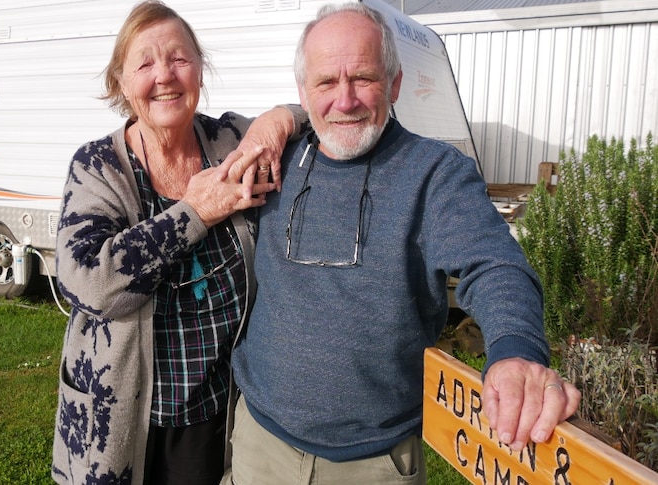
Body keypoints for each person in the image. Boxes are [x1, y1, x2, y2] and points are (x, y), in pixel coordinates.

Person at [228, 3, 581, 484]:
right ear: (303, 92)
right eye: (327, 82)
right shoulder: (273, 159)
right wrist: (277, 119)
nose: (345, 100)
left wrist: (515, 350)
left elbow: (495, 265)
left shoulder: (435, 173)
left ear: (394, 84)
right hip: (260, 443)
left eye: (364, 79)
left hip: (373, 463)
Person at [50, 2, 306, 485]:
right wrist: (195, 213)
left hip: (219, 413)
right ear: (121, 84)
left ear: (200, 70)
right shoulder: (98, 167)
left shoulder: (230, 141)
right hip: (122, 422)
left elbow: (327, 114)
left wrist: (279, 118)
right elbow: (88, 282)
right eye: (144, 63)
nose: (164, 76)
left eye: (179, 59)